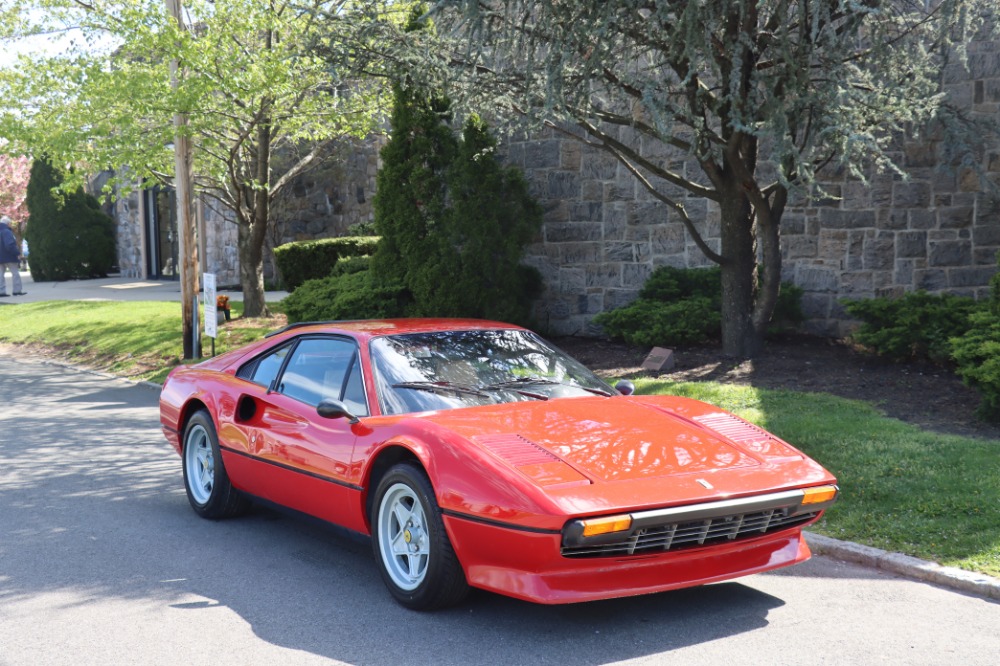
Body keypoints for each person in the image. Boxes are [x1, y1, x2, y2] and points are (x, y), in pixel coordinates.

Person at [0, 215, 26, 297]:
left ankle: (1, 291)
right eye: (10, 223)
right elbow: (9, 245)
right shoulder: (6, 231)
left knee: (0, 275)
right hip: (9, 257)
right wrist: (17, 253)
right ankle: (17, 290)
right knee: (15, 274)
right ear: (7, 223)